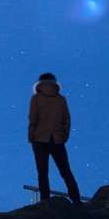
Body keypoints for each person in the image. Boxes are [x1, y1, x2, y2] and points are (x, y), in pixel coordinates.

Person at [28, 72, 82, 204]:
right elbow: (67, 120)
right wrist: (64, 136)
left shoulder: (36, 98)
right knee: (65, 171)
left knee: (42, 172)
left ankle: (44, 200)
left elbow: (33, 119)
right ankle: (76, 199)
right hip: (57, 139)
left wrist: (31, 137)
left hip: (40, 138)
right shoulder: (61, 99)